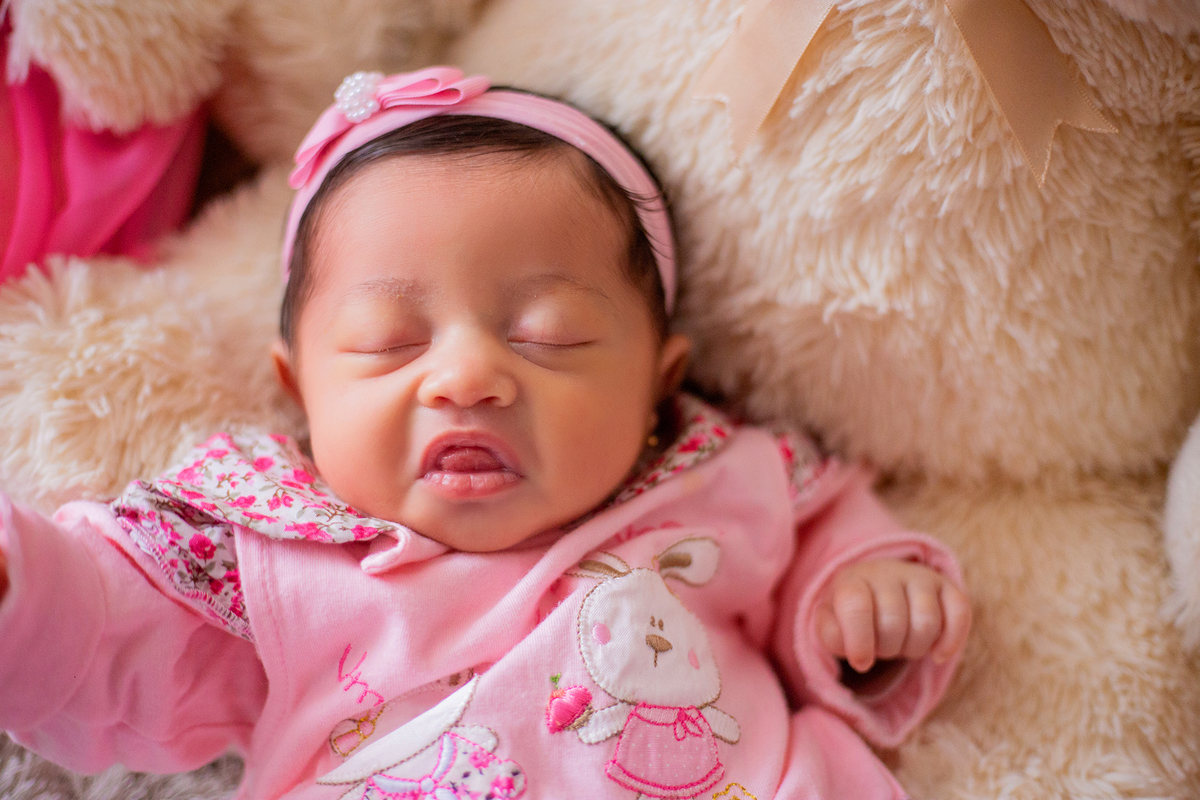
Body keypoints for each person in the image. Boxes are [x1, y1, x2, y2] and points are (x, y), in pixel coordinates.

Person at [0, 67, 970, 800]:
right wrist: (27, 586)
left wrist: (861, 598)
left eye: (548, 335)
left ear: (656, 384)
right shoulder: (260, 547)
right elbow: (104, 638)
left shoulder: (719, 475)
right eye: (388, 342)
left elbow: (821, 544)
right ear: (300, 392)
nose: (466, 376)